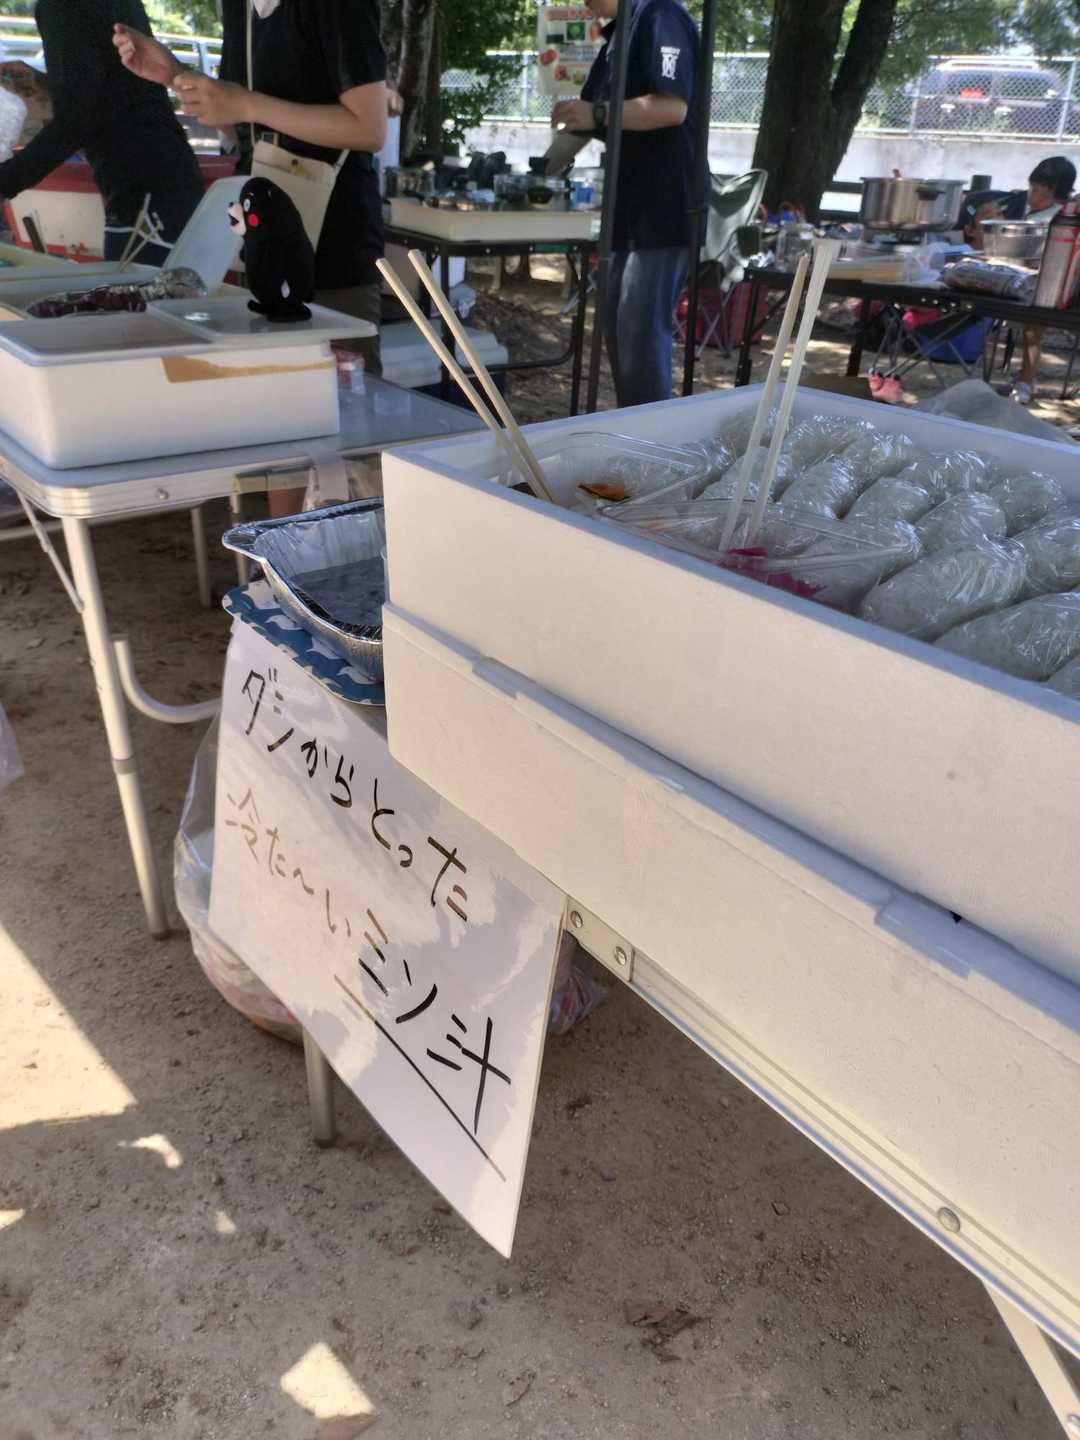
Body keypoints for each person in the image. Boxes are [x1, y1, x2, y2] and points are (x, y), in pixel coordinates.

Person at [115, 0, 387, 515]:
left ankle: (357, 557)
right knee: (279, 418)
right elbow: (241, 113)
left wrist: (247, 105)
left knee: (348, 434)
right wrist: (177, 76)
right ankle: (281, 553)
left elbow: (369, 128)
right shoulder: (240, 7)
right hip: (266, 237)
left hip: (335, 240)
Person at [550, 0, 699, 408]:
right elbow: (585, 121)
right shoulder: (617, 35)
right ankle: (634, 425)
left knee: (639, 330)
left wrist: (596, 113)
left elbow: (672, 107)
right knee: (618, 329)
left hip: (664, 206)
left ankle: (652, 437)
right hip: (625, 209)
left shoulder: (662, 15)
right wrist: (540, 172)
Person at [0, 0, 203, 266]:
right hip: (168, 175)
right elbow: (113, 93)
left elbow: (78, 118)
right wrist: (49, 85)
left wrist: (6, 181)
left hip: (141, 188)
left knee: (132, 292)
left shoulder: (61, 7)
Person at [964, 156, 1076, 405]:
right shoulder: (1032, 213)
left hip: (1048, 287)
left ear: (1052, 193)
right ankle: (1023, 378)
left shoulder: (1056, 219)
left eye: (1036, 190)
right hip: (1024, 280)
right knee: (1028, 329)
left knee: (1033, 329)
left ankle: (1026, 381)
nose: (1031, 195)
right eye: (1031, 187)